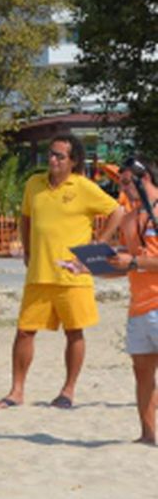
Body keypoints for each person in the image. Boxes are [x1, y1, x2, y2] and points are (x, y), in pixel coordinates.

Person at [0, 135, 123, 410]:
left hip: (72, 276)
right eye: (51, 154)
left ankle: (68, 391)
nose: (52, 160)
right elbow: (26, 219)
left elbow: (118, 210)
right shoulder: (34, 184)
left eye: (59, 156)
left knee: (74, 332)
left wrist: (100, 243)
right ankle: (16, 391)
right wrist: (27, 250)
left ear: (73, 161)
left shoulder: (84, 187)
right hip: (39, 273)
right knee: (24, 332)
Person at [104, 158, 158, 444]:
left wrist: (134, 261)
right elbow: (127, 264)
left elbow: (137, 261)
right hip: (138, 306)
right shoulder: (128, 218)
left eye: (126, 182)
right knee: (142, 373)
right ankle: (148, 435)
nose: (122, 189)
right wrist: (88, 268)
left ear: (145, 177)